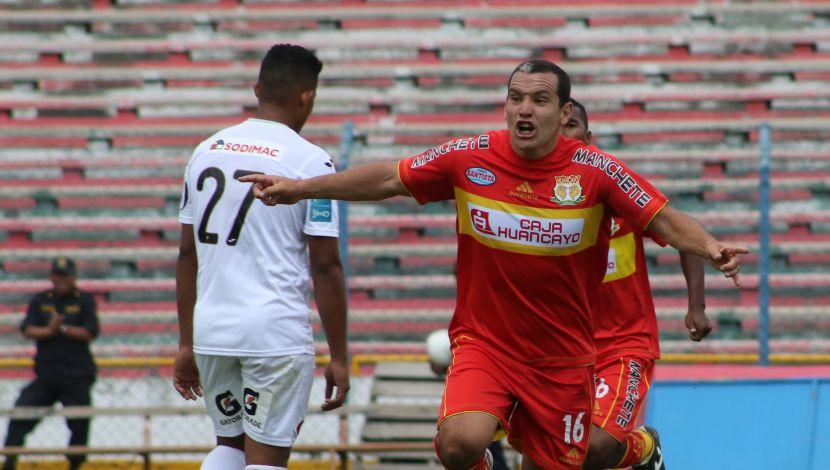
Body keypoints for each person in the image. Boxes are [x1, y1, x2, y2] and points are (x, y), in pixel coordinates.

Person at [239, 59, 746, 469]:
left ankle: (642, 450)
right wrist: (302, 188)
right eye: (515, 97)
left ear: (562, 112)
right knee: (459, 444)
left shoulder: (598, 173)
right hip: (488, 344)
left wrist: (711, 247)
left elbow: (666, 220)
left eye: (539, 100)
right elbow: (389, 178)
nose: (524, 109)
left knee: (588, 455)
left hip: (563, 358)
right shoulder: (471, 156)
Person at [172, 44, 350, 470]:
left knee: (230, 448)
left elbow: (186, 254)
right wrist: (340, 356)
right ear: (307, 97)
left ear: (257, 89)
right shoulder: (311, 161)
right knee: (266, 458)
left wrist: (186, 342)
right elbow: (325, 266)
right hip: (273, 335)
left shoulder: (205, 151)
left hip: (213, 331)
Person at [563, 99, 712, 470]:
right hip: (561, 347)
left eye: (572, 126)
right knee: (551, 451)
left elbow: (680, 230)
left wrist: (696, 306)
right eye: (558, 126)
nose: (563, 134)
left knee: (593, 447)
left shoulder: (613, 186)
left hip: (623, 345)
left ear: (588, 137)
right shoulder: (534, 198)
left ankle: (644, 446)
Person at [2, 256, 99, 470]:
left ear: (74, 277)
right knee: (21, 412)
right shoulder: (40, 300)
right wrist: (49, 330)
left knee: (79, 421)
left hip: (76, 375)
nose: (61, 280)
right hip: (47, 375)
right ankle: (10, 459)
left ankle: (76, 464)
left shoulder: (84, 300)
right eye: (58, 275)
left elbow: (90, 332)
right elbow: (27, 329)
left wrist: (61, 329)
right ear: (51, 276)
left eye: (66, 276)